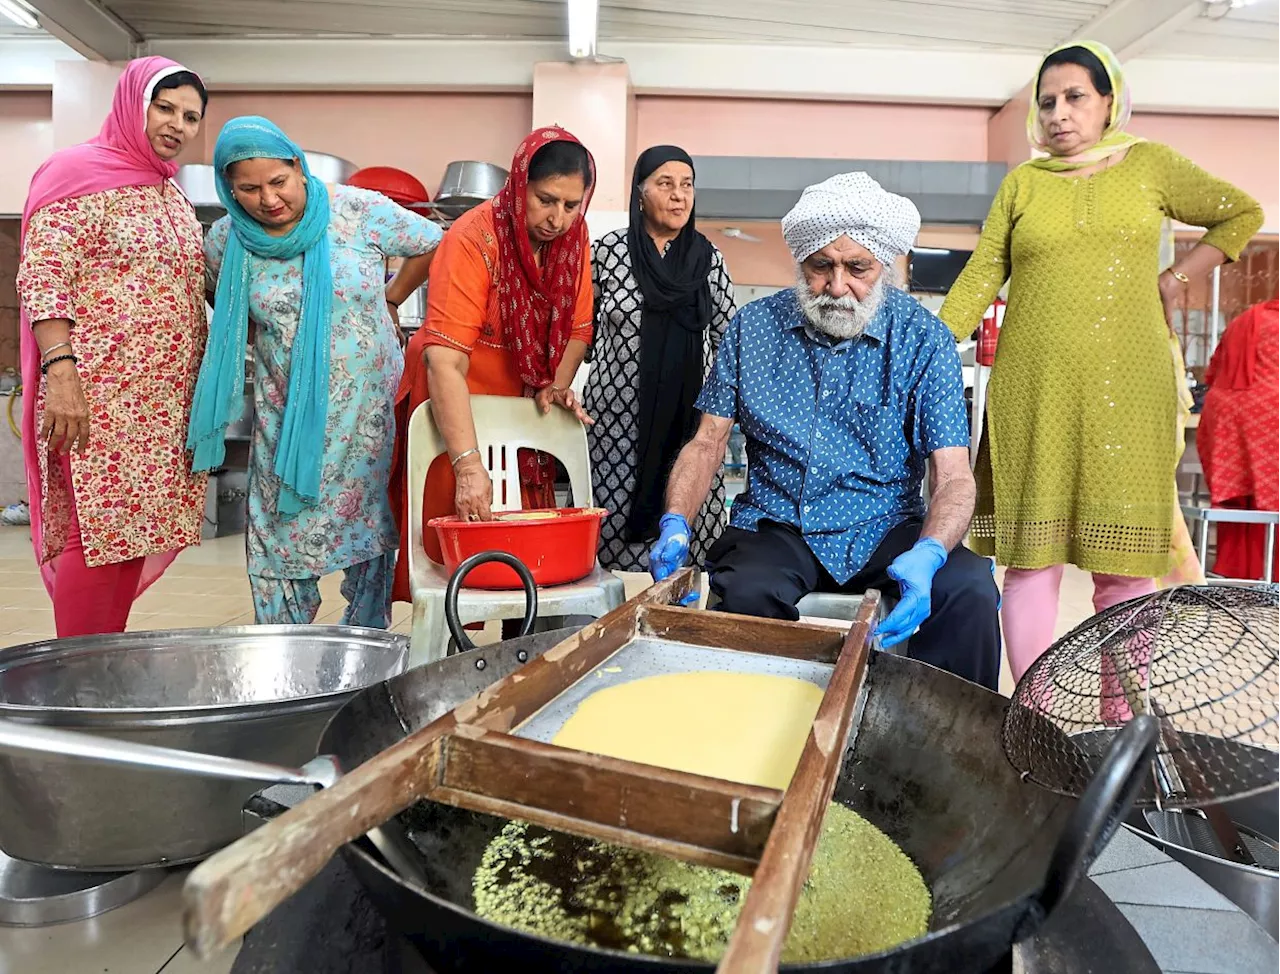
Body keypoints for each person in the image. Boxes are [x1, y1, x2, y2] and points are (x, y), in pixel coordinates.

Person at [939, 41, 1263, 680]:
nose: (1059, 114)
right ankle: (1038, 713)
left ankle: (1119, 720)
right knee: (1032, 560)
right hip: (1035, 391)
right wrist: (923, 343)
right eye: (1048, 102)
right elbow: (983, 272)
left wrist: (1177, 277)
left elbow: (1240, 213)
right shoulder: (1024, 183)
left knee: (1123, 565)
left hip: (1129, 393)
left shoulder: (1150, 165)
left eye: (1075, 98)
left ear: (1109, 100)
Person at [649, 173, 1001, 691]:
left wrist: (930, 553)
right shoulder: (753, 328)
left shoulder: (924, 339)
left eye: (857, 268)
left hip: (887, 526)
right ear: (801, 263)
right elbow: (708, 442)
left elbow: (951, 477)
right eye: (821, 267)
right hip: (780, 523)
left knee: (968, 590)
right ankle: (752, 749)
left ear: (884, 265)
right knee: (744, 595)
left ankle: (946, 750)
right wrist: (675, 519)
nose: (838, 287)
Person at [191, 116, 441, 627]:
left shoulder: (355, 209)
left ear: (299, 170)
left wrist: (392, 297)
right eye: (249, 189)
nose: (268, 199)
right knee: (276, 542)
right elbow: (223, 300)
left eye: (278, 182)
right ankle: (285, 657)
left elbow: (437, 242)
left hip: (368, 421)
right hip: (285, 422)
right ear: (229, 190)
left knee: (372, 531)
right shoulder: (226, 241)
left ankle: (364, 646)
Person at [16, 57, 209, 638]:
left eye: (191, 116)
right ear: (133, 102)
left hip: (159, 406)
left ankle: (102, 661)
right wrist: (62, 372)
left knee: (128, 535)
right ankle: (76, 677)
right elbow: (43, 276)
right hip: (97, 395)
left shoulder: (168, 190)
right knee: (92, 535)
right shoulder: (77, 171)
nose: (176, 124)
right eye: (164, 106)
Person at [389, 127, 596, 603]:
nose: (557, 219)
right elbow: (444, 358)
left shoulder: (573, 240)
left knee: (525, 550)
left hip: (521, 407)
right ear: (519, 184)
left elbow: (579, 327)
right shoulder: (475, 237)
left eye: (570, 205)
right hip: (455, 398)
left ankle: (517, 655)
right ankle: (448, 657)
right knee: (457, 559)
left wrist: (554, 384)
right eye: (545, 200)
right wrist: (467, 464)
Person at [586, 145, 737, 572]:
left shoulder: (708, 261)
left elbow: (729, 343)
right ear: (640, 192)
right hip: (616, 430)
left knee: (687, 536)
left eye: (686, 185)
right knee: (611, 542)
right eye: (665, 184)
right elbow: (581, 333)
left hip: (690, 427)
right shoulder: (608, 254)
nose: (679, 196)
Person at [1198, 299, 1280, 580]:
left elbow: (1212, 372)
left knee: (1240, 501)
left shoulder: (1247, 317)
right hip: (1273, 414)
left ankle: (1236, 569)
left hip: (1225, 415)